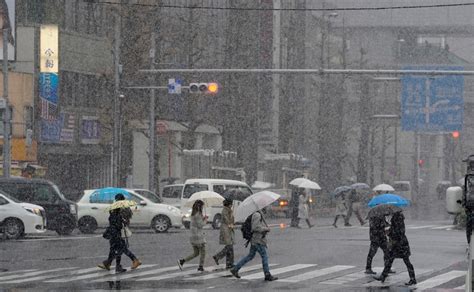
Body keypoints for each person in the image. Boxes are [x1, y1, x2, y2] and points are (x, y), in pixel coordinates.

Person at [230, 208, 278, 281]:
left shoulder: (258, 214)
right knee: (264, 256)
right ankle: (267, 274)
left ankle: (235, 269)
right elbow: (255, 228)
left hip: (255, 239)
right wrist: (265, 229)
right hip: (258, 240)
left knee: (250, 256)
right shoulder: (257, 215)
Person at [98, 194, 141, 273]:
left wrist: (116, 215)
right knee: (116, 249)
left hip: (116, 231)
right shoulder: (116, 208)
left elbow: (118, 221)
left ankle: (134, 260)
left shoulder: (120, 209)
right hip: (115, 231)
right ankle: (114, 265)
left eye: (116, 199)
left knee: (120, 248)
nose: (116, 200)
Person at [373, 212, 417, 286]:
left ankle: (412, 279)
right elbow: (398, 230)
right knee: (392, 259)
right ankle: (383, 276)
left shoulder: (397, 218)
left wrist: (389, 232)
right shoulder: (398, 218)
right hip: (400, 243)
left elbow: (399, 232)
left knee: (404, 261)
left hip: (399, 244)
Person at [178, 200, 207, 272]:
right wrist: (205, 220)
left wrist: (202, 218)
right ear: (200, 206)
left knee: (196, 253)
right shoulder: (198, 214)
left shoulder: (193, 214)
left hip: (193, 236)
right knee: (203, 252)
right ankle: (201, 266)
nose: (203, 208)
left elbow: (197, 223)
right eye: (202, 206)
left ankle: (182, 261)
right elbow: (200, 225)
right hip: (198, 236)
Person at [213, 198, 235, 269]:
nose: (231, 205)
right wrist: (230, 223)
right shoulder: (225, 210)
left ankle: (229, 264)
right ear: (228, 204)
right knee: (229, 246)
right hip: (225, 229)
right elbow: (226, 220)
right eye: (231, 204)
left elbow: (232, 220)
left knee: (230, 247)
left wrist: (231, 214)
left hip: (228, 229)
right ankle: (218, 257)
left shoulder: (229, 210)